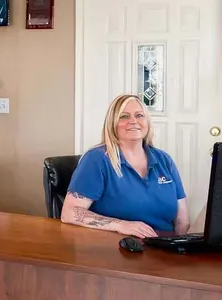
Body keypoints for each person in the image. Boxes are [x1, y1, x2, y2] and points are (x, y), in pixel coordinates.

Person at [61, 93, 190, 238]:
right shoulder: (96, 159)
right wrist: (120, 225)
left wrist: (178, 251)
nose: (133, 121)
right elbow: (70, 212)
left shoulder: (164, 160)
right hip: (118, 249)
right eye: (124, 116)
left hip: (163, 249)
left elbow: (182, 221)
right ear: (112, 123)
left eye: (139, 115)